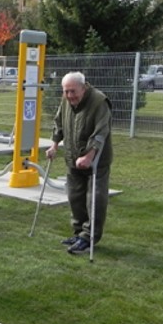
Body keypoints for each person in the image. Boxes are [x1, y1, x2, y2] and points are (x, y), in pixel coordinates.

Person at [46, 71, 113, 255]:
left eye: (72, 91)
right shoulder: (66, 101)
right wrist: (54, 145)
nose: (69, 96)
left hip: (96, 160)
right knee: (75, 197)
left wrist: (89, 156)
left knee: (95, 199)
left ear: (83, 88)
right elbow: (59, 122)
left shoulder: (99, 101)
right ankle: (79, 232)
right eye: (66, 91)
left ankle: (89, 237)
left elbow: (101, 132)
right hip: (72, 157)